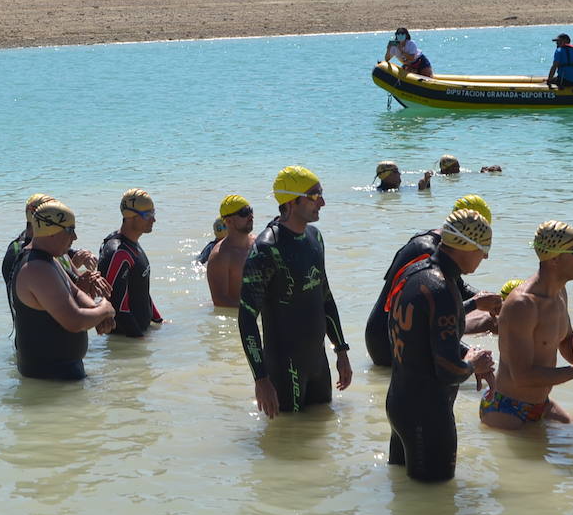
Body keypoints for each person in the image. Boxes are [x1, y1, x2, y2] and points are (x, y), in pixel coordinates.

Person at [385, 209, 495, 482]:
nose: (486, 256)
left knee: (404, 497)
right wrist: (473, 363)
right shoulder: (443, 289)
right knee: (434, 510)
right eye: (484, 249)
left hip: (399, 404)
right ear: (465, 248)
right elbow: (448, 371)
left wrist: (473, 304)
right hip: (428, 417)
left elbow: (420, 334)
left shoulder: (415, 271)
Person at [238, 166, 352, 417]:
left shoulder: (315, 237)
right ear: (291, 201)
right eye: (314, 195)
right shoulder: (267, 249)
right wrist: (261, 379)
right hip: (284, 368)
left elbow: (325, 296)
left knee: (322, 430)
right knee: (287, 441)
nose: (321, 202)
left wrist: (341, 350)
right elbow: (246, 317)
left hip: (318, 363)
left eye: (320, 193)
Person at [480, 221, 573, 429]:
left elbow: (566, 337)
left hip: (541, 405)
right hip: (506, 410)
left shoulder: (559, 292)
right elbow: (522, 376)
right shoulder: (523, 305)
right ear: (555, 258)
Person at [364, 195, 502, 367]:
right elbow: (430, 317)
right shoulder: (427, 252)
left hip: (399, 336)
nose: (484, 255)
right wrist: (476, 304)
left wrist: (495, 301)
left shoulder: (440, 248)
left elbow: (457, 290)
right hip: (387, 342)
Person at [10, 200, 116, 380]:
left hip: (61, 375)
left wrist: (96, 313)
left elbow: (75, 292)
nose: (74, 237)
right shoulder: (36, 269)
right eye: (69, 230)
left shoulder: (48, 260)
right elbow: (74, 321)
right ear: (50, 231)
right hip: (48, 381)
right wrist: (104, 309)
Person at [2, 193, 106, 313]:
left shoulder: (54, 246)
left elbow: (75, 282)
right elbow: (41, 293)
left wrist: (91, 278)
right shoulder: (20, 253)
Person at [98, 188, 164, 337]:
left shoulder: (132, 244)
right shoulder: (118, 253)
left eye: (154, 213)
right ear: (131, 217)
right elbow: (117, 306)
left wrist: (158, 320)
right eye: (148, 215)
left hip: (140, 333)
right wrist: (138, 341)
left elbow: (141, 288)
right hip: (125, 341)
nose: (154, 219)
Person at [206, 195, 255, 308]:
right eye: (244, 212)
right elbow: (220, 301)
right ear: (228, 221)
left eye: (250, 210)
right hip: (240, 316)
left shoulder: (258, 244)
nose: (251, 216)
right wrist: (253, 309)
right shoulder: (220, 256)